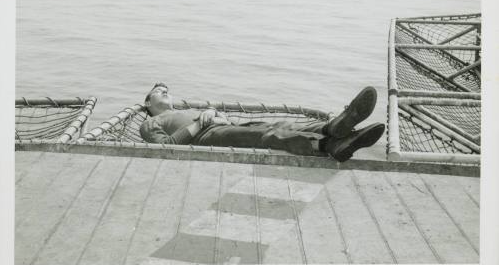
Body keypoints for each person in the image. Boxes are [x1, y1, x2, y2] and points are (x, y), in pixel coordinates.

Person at [139, 82, 385, 162]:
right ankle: (326, 145)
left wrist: (214, 113)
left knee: (275, 127)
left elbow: (216, 118)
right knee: (265, 138)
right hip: (206, 138)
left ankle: (333, 129)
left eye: (167, 89)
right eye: (158, 91)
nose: (164, 91)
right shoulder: (151, 122)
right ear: (148, 104)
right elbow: (169, 146)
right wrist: (201, 124)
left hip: (223, 126)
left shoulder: (188, 109)